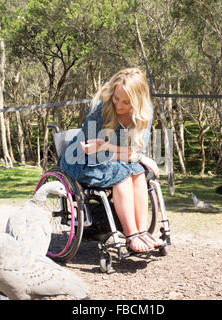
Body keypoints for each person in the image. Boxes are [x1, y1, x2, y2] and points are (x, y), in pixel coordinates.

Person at [60, 67, 162, 253]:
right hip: (81, 160)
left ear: (138, 101)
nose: (119, 105)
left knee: (138, 172)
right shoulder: (101, 109)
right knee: (122, 173)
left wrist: (136, 156)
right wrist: (132, 155)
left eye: (126, 102)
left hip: (112, 158)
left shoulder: (145, 113)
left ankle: (142, 231)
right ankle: (131, 236)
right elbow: (93, 149)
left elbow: (134, 152)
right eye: (116, 98)